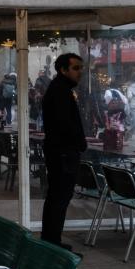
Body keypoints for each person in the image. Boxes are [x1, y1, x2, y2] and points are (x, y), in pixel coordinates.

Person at [41, 53, 87, 250]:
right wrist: (78, 142)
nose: (80, 73)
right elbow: (64, 124)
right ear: (63, 70)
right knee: (59, 198)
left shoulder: (60, 88)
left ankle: (51, 240)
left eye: (80, 68)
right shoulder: (60, 90)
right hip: (63, 153)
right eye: (76, 68)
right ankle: (52, 242)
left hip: (61, 151)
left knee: (57, 198)